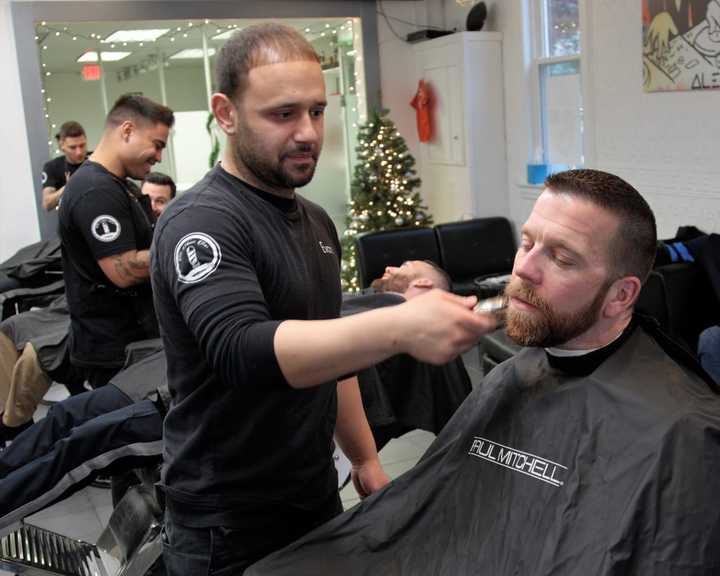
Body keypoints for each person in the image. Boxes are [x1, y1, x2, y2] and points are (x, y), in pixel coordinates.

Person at [247, 169, 720, 576]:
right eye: (528, 243)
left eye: (561, 257)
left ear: (621, 296)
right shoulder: (512, 376)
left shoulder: (684, 433)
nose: (524, 269)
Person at [150, 23, 494, 575]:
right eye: (283, 114)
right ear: (226, 113)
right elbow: (243, 350)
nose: (309, 132)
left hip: (313, 493)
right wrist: (399, 327)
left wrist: (364, 459)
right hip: (225, 521)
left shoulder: (314, 221)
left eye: (316, 110)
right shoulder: (203, 222)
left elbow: (334, 357)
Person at [59, 94, 173, 389]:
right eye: (157, 145)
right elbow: (124, 271)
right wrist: (182, 248)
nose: (159, 157)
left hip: (131, 341)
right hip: (116, 352)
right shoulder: (96, 191)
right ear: (127, 131)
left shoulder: (118, 185)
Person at [41, 121, 90, 211]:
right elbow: (47, 204)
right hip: (72, 222)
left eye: (82, 145)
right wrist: (68, 187)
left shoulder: (96, 159)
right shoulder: (52, 167)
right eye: (73, 147)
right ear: (62, 146)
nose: (79, 152)